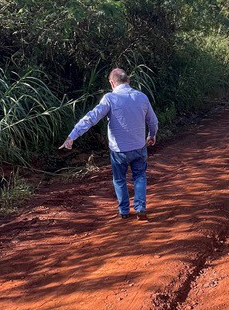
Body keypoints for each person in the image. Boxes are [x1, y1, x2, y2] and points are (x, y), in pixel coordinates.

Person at [59, 68, 158, 220]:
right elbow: (153, 121)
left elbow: (91, 118)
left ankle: (124, 211)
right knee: (139, 177)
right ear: (128, 80)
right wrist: (151, 135)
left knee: (119, 179)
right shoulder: (141, 97)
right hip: (139, 148)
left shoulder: (110, 98)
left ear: (112, 83)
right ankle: (140, 208)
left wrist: (72, 136)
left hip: (119, 151)